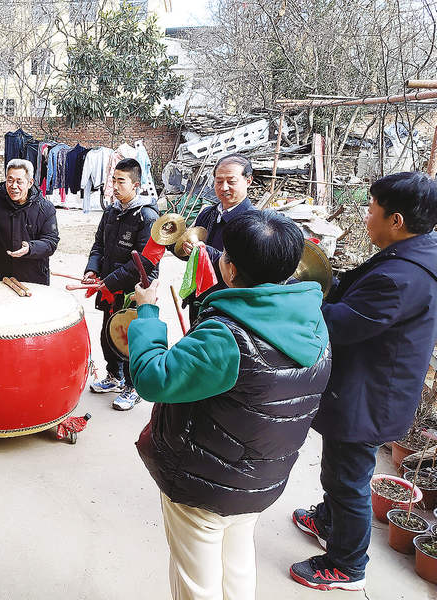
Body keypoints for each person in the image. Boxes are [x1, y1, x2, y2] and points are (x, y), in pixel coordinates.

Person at [130, 210, 331, 600]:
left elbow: (153, 378)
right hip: (261, 477)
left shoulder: (227, 336)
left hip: (206, 482)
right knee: (236, 565)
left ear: (230, 269)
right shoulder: (312, 320)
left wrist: (148, 313)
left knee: (197, 583)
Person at [290, 171, 437, 591]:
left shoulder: (400, 276)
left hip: (368, 396)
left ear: (396, 220)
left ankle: (347, 564)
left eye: (371, 209)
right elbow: (357, 296)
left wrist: (295, 297)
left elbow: (338, 323)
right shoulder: (415, 253)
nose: (365, 216)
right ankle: (328, 522)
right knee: (340, 469)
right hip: (374, 384)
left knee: (348, 480)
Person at [84, 158, 159, 411]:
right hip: (109, 286)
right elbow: (99, 245)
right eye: (113, 180)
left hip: (134, 290)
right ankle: (114, 377)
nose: (115, 186)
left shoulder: (147, 216)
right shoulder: (111, 211)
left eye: (121, 181)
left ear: (136, 185)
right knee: (109, 333)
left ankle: (133, 387)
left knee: (130, 338)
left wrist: (109, 281)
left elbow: (145, 263)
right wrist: (93, 269)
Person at [176, 154, 256, 321]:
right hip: (199, 299)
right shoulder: (208, 213)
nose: (224, 187)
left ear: (248, 181)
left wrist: (205, 251)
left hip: (229, 304)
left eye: (231, 181)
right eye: (219, 181)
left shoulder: (254, 222)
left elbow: (246, 269)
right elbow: (194, 257)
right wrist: (186, 248)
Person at [0, 158, 59, 285]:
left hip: (33, 277)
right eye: (10, 180)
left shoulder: (45, 208)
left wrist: (31, 248)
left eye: (19, 182)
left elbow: (51, 242)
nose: (14, 186)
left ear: (30, 183)